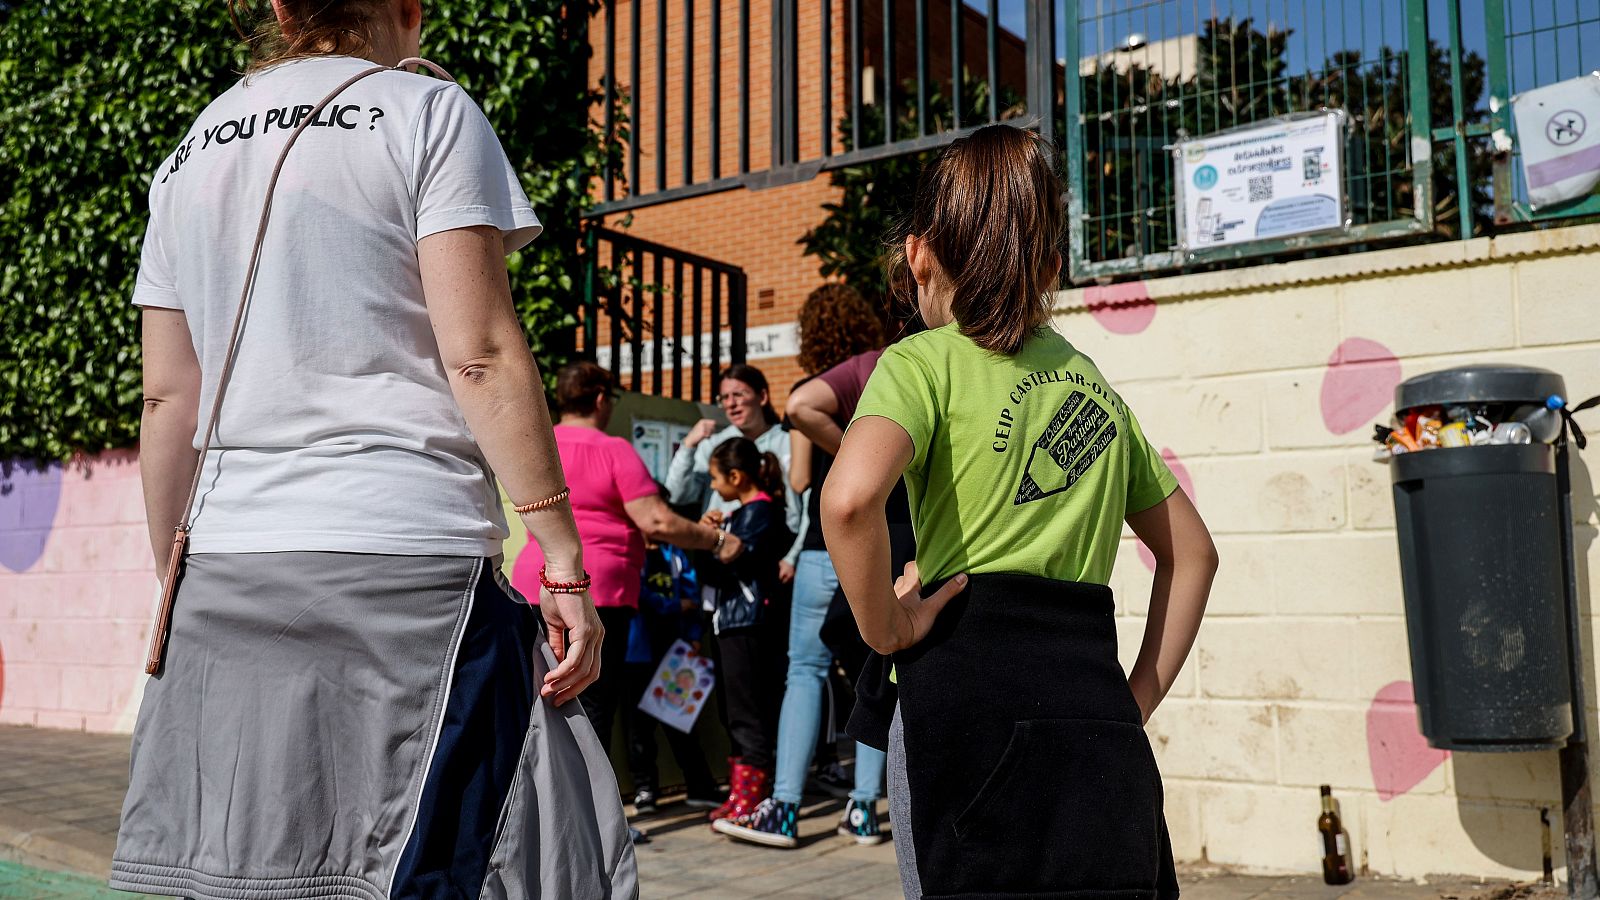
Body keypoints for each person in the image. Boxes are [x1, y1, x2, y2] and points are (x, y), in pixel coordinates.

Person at [113, 2, 638, 897]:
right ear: (410, 7)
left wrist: (176, 568)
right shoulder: (426, 112)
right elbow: (478, 352)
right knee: (440, 861)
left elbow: (169, 397)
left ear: (279, 10)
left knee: (249, 870)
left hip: (231, 561)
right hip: (407, 558)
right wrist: (559, 559)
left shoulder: (189, 153)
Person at [822, 124, 1217, 898]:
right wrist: (1135, 698)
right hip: (1094, 704)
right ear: (1053, 265)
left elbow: (848, 500)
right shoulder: (1089, 383)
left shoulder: (921, 362)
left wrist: (888, 628)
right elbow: (1193, 553)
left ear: (919, 253)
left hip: (964, 702)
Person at [512, 362, 739, 807]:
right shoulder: (612, 449)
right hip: (596, 593)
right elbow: (654, 519)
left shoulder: (539, 441)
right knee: (589, 705)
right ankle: (587, 819)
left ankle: (543, 813)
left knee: (539, 701)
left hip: (533, 585)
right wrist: (716, 540)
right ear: (600, 399)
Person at [721, 286, 895, 850]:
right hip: (880, 545)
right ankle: (865, 808)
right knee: (872, 672)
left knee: (804, 672)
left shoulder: (810, 393)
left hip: (823, 548)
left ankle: (786, 808)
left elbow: (798, 482)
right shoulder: (886, 380)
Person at [699, 438, 794, 830]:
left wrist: (711, 540)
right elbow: (711, 571)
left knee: (748, 713)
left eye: (715, 478)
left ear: (736, 476)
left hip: (749, 623)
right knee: (731, 711)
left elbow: (733, 564)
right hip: (729, 622)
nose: (712, 487)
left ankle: (753, 795)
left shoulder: (761, 514)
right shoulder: (739, 515)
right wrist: (710, 539)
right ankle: (740, 791)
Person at [625, 529, 721, 813]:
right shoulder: (632, 551)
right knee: (638, 727)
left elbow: (692, 596)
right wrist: (672, 605)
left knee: (679, 722)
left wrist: (693, 635)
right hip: (638, 652)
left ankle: (700, 786)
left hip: (673, 653)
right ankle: (645, 789)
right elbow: (634, 591)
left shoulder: (674, 555)